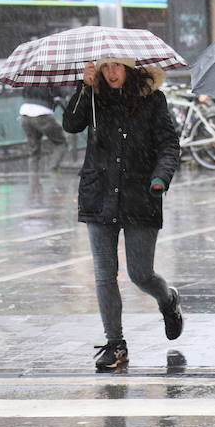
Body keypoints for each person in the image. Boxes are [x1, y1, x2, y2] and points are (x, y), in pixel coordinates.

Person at [63, 58, 183, 370]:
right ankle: (115, 344)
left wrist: (160, 178)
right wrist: (83, 88)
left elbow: (169, 145)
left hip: (141, 194)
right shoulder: (93, 97)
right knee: (104, 274)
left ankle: (168, 300)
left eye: (117, 66)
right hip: (99, 194)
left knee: (140, 274)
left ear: (130, 69)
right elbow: (71, 124)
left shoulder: (152, 100)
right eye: (106, 67)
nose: (112, 73)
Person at [19, 86, 69, 172]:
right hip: (43, 115)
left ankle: (33, 180)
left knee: (33, 151)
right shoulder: (53, 78)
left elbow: (24, 93)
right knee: (61, 143)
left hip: (24, 115)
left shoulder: (31, 77)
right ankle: (52, 170)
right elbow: (62, 95)